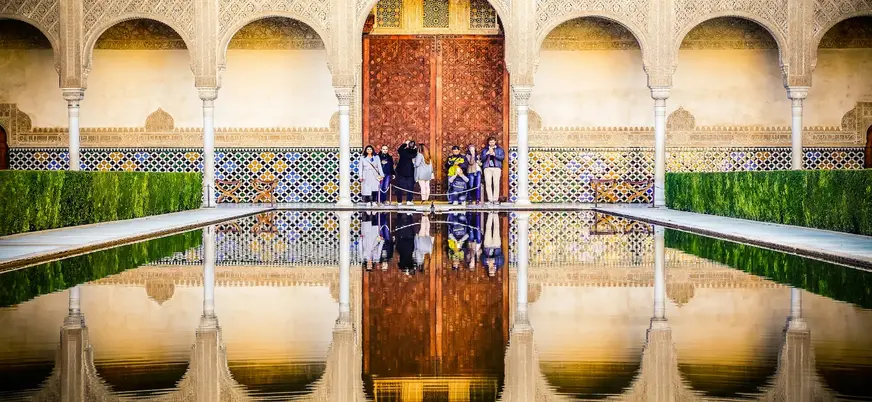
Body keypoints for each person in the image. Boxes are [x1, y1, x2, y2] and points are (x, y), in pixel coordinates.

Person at [481, 137, 505, 205]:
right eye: (490, 142)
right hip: (487, 168)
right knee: (488, 184)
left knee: (496, 183)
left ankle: (495, 199)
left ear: (495, 142)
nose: (491, 143)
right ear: (488, 142)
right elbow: (482, 159)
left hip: (496, 167)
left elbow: (502, 157)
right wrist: (487, 154)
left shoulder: (500, 149)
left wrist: (494, 154)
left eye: (493, 142)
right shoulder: (485, 150)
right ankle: (490, 199)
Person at [395, 140, 418, 206]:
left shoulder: (404, 151)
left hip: (404, 171)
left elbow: (399, 150)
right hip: (407, 172)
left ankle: (400, 201)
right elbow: (413, 155)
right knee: (408, 187)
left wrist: (405, 143)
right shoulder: (412, 152)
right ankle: (408, 200)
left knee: (402, 187)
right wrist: (414, 148)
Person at [482, 212, 504, 277]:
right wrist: (493, 261)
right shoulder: (499, 264)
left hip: (487, 246)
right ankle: (495, 213)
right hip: (496, 246)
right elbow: (501, 257)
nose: (491, 271)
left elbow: (482, 256)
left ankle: (490, 214)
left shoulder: (484, 263)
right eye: (493, 273)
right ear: (495, 271)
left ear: (488, 271)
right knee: (496, 229)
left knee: (488, 229)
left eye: (490, 273)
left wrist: (488, 261)